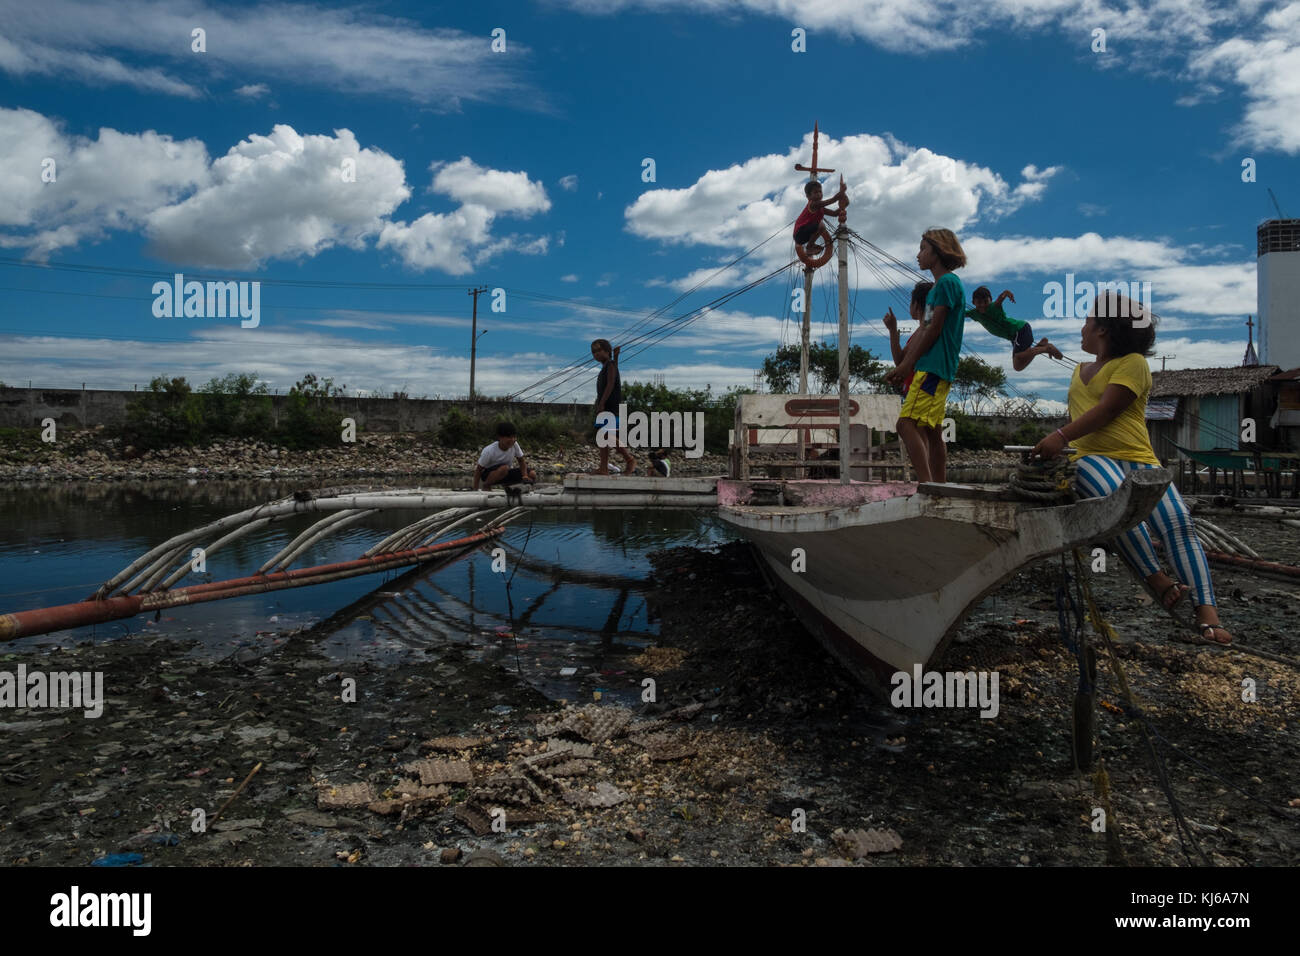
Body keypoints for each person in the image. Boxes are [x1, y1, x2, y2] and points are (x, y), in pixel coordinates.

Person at [1031, 291, 1232, 645]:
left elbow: (1108, 409)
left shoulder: (1133, 364)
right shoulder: (1079, 371)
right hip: (1088, 458)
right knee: (1116, 503)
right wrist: (1064, 442)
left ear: (1104, 329)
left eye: (1088, 321)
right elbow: (1084, 419)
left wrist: (1059, 436)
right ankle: (1157, 579)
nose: (1082, 327)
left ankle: (1207, 612)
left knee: (1177, 524)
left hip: (1140, 458)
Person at [883, 228, 967, 483]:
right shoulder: (941, 288)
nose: (918, 255)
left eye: (923, 249)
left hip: (932, 368)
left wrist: (907, 364)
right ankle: (939, 486)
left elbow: (931, 329)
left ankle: (927, 486)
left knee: (905, 425)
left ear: (938, 252)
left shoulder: (946, 285)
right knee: (932, 430)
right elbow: (928, 327)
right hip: (938, 368)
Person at [966, 286, 1062, 371]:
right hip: (1014, 336)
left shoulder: (994, 307)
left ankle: (1047, 348)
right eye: (979, 303)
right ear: (973, 302)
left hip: (1019, 330)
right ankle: (1041, 345)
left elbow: (1000, 298)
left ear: (990, 300)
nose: (982, 305)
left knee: (1019, 356)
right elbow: (960, 313)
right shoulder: (974, 313)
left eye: (986, 302)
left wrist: (1007, 293)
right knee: (1018, 366)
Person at [882, 280, 934, 398]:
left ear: (915, 305)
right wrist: (892, 330)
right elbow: (900, 361)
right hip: (914, 389)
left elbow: (900, 362)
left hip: (920, 389)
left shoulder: (926, 328)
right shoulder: (922, 330)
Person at [591, 339, 636, 476]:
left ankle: (629, 459)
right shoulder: (608, 366)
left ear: (607, 351)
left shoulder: (609, 365)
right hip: (606, 406)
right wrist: (616, 356)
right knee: (602, 437)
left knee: (605, 435)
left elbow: (611, 383)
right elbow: (614, 371)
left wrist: (602, 403)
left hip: (610, 406)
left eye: (599, 350)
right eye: (594, 352)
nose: (596, 354)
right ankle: (603, 468)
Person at [473, 421, 536, 490]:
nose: (512, 440)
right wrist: (475, 489)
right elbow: (478, 470)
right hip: (489, 475)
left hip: (505, 473)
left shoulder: (514, 445)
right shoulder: (489, 450)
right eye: (509, 437)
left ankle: (510, 488)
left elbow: (521, 461)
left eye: (514, 437)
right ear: (500, 437)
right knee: (504, 468)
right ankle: (486, 486)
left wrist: (525, 476)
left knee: (532, 474)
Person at [793, 180, 849, 255]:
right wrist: (842, 192)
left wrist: (844, 205)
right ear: (808, 196)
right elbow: (831, 200)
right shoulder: (813, 204)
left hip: (805, 234)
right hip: (799, 233)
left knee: (821, 225)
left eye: (820, 192)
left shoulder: (820, 208)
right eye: (816, 192)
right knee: (821, 225)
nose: (819, 194)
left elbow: (834, 213)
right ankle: (809, 247)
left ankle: (810, 245)